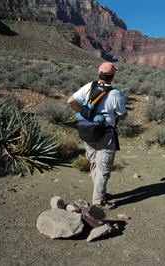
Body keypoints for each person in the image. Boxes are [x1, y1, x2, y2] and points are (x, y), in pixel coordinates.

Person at [67, 62, 127, 210]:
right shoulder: (115, 94)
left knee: (94, 164)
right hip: (105, 134)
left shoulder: (90, 86)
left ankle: (100, 194)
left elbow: (70, 101)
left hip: (87, 131)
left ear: (99, 74)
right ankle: (98, 202)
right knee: (104, 167)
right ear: (112, 76)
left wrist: (81, 113)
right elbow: (123, 116)